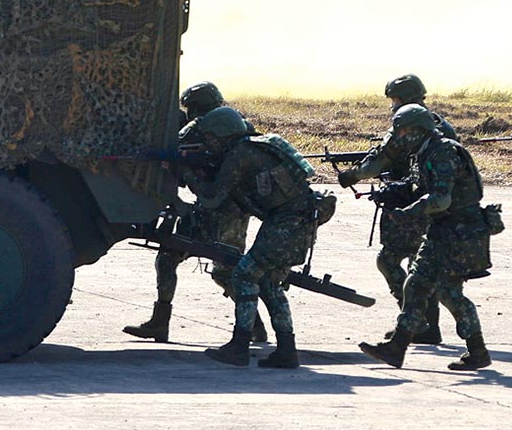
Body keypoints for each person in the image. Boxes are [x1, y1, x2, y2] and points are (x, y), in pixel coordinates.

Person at [123, 83, 266, 344]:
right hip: (224, 208)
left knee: (226, 270)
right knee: (171, 257)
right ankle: (160, 322)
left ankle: (253, 326)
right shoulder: (240, 124)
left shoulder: (198, 128)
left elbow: (175, 153)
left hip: (225, 209)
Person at [359, 104, 493, 370]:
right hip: (443, 231)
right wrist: (395, 191)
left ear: (419, 130)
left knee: (448, 292)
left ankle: (477, 351)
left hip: (459, 232)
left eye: (404, 131)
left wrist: (410, 212)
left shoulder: (443, 153)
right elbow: (420, 186)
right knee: (417, 285)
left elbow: (441, 199)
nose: (399, 137)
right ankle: (398, 347)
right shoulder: (425, 152)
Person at [185, 106, 319, 369]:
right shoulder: (253, 147)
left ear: (224, 135)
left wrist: (188, 174)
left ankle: (239, 346)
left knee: (244, 275)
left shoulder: (240, 154)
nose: (209, 144)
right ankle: (286, 351)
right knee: (268, 282)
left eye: (211, 138)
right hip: (296, 220)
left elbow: (212, 198)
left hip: (287, 222)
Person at [334, 74, 454, 344]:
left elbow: (379, 161)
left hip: (413, 204)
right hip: (438, 205)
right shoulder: (439, 124)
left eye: (394, 99)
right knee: (420, 264)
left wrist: (352, 176)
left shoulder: (408, 125)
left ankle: (414, 322)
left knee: (391, 260)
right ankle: (427, 326)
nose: (392, 105)